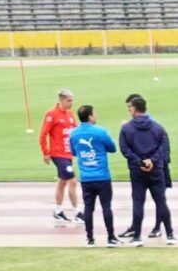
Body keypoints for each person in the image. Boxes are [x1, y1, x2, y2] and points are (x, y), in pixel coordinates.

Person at [118, 94, 174, 245]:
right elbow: (163, 148)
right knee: (161, 201)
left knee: (138, 202)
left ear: (135, 108)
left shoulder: (126, 128)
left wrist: (140, 162)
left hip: (137, 170)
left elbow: (124, 149)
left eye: (130, 107)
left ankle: (137, 237)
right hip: (156, 169)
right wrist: (152, 161)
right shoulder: (158, 127)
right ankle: (170, 234)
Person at [67, 103, 119, 247]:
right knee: (106, 207)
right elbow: (113, 148)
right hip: (102, 176)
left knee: (88, 208)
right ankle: (111, 237)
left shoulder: (73, 133)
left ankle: (90, 239)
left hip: (86, 177)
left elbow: (73, 152)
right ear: (89, 116)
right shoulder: (100, 131)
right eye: (94, 114)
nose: (96, 116)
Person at [40, 89, 78, 224]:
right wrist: (45, 152)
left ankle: (58, 211)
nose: (71, 103)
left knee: (62, 182)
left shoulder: (70, 114)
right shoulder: (51, 115)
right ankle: (77, 212)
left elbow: (75, 130)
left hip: (68, 154)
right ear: (61, 100)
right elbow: (43, 134)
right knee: (72, 180)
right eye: (69, 100)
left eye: (72, 100)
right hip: (57, 154)